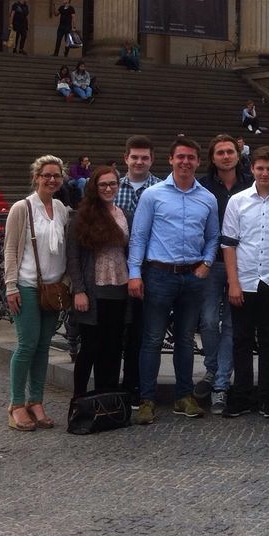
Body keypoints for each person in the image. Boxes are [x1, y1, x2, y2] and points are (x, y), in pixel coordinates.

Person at [128, 136, 219, 425]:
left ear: (198, 161)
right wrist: (134, 274)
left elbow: (213, 236)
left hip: (192, 276)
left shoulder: (207, 198)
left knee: (185, 339)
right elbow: (139, 236)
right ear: (170, 159)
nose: (185, 162)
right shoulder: (153, 195)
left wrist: (206, 262)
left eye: (191, 157)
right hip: (158, 274)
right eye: (180, 157)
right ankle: (147, 399)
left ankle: (184, 396)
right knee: (152, 339)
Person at [221, 147, 269, 418]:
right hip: (243, 279)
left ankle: (268, 397)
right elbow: (229, 244)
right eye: (260, 168)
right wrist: (232, 282)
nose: (265, 173)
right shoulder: (238, 201)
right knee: (241, 339)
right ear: (252, 169)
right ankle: (241, 395)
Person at [3, 155, 70, 431]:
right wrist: (10, 285)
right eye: (47, 175)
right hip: (27, 285)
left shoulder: (62, 209)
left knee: (43, 347)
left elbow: (66, 248)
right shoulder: (22, 208)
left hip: (53, 289)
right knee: (27, 344)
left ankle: (36, 401)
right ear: (36, 177)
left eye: (56, 175)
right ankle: (16, 404)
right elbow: (9, 248)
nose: (52, 180)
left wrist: (66, 281)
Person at [196, 134, 253, 414]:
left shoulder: (250, 184)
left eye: (230, 151)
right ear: (213, 157)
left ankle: (219, 384)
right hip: (209, 262)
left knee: (231, 325)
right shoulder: (203, 186)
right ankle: (211, 368)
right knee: (207, 321)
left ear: (238, 155)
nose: (226, 156)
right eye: (220, 152)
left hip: (240, 263)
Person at [64, 166, 128, 396]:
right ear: (94, 187)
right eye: (103, 184)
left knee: (112, 347)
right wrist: (79, 290)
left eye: (113, 184)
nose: (109, 188)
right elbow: (73, 257)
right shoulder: (82, 216)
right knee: (90, 347)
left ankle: (106, 396)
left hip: (119, 288)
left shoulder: (122, 214)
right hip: (93, 290)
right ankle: (80, 398)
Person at [115, 136, 159, 401]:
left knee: (142, 331)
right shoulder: (112, 186)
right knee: (115, 328)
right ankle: (111, 385)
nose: (139, 162)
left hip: (149, 269)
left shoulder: (163, 188)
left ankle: (136, 386)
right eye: (135, 157)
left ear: (152, 159)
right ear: (126, 158)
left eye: (144, 157)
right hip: (114, 268)